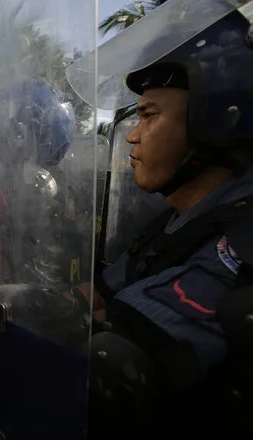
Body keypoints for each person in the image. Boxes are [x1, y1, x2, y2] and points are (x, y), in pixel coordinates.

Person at [63, 2, 253, 437]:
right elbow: (99, 292)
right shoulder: (171, 224)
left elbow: (123, 354)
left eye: (148, 115)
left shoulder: (241, 242)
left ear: (215, 119)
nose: (131, 133)